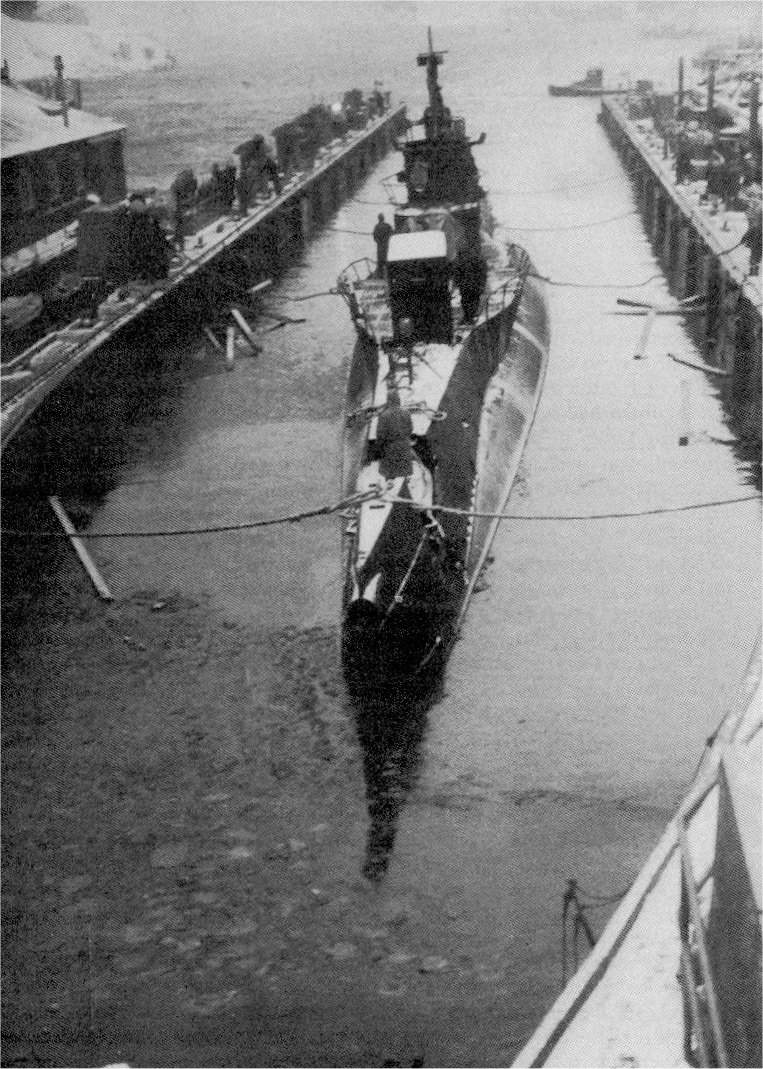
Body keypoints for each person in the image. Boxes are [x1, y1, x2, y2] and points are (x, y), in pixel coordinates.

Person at [376, 388, 413, 482]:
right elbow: (410, 429)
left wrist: (379, 447)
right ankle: (406, 482)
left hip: (390, 448)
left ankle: (390, 482)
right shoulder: (406, 413)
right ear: (398, 399)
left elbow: (380, 435)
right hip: (404, 446)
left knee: (390, 473)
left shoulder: (384, 415)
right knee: (404, 470)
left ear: (388, 400)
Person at [741, 206, 762, 276]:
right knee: (756, 258)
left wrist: (743, 239)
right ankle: (754, 271)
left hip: (757, 244)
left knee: (754, 258)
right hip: (757, 244)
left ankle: (753, 272)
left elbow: (749, 232)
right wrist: (744, 239)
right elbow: (749, 232)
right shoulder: (756, 225)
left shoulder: (756, 225)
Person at [373, 213, 393, 277]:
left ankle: (381, 274)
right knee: (386, 258)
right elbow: (391, 233)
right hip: (386, 245)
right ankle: (387, 274)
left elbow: (375, 237)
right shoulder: (387, 225)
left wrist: (379, 242)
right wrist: (386, 240)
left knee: (380, 260)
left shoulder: (376, 226)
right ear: (383, 218)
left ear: (378, 219)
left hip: (380, 246)